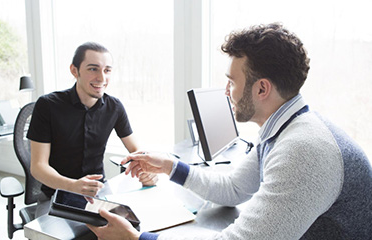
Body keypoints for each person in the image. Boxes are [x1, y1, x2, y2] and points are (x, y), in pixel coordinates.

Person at [87, 23, 372, 240]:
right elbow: (234, 189)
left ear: (262, 88)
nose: (227, 92)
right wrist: (171, 167)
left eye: (232, 82)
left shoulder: (303, 150)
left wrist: (137, 239)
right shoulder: (287, 129)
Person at [27, 42, 157, 217]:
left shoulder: (115, 107)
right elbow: (38, 167)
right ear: (75, 71)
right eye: (93, 69)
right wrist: (72, 186)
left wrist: (149, 170)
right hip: (56, 194)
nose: (102, 78)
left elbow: (137, 151)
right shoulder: (48, 105)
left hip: (99, 194)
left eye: (107, 70)